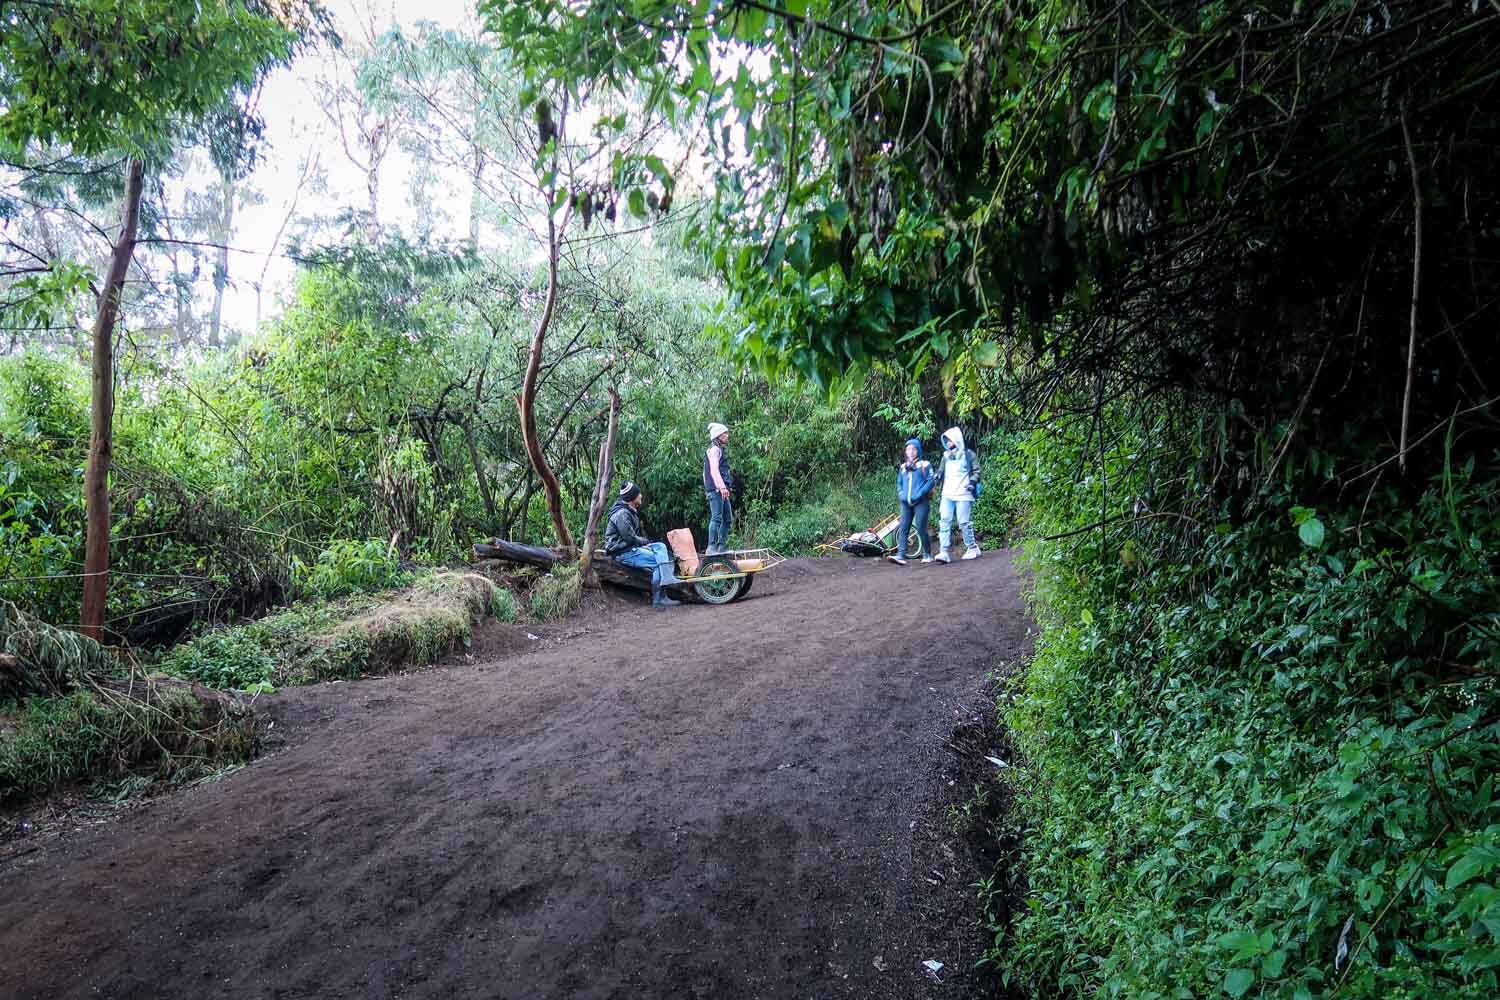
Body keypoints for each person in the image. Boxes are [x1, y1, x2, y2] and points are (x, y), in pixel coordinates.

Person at [604, 481, 683, 608]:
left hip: (630, 547)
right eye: (639, 494)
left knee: (661, 547)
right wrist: (645, 543)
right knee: (660, 561)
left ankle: (666, 578)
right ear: (632, 497)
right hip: (622, 552)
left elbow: (632, 538)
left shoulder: (629, 511)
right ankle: (659, 598)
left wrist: (644, 544)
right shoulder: (622, 514)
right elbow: (629, 538)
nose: (641, 496)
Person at [934, 426, 982, 562]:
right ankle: (943, 551)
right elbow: (941, 471)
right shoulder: (945, 456)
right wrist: (937, 475)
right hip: (947, 494)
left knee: (963, 522)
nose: (948, 443)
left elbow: (977, 471)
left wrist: (972, 482)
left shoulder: (968, 454)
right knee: (944, 521)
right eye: (946, 440)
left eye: (950, 440)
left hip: (964, 493)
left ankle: (972, 547)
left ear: (957, 439)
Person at [889, 438, 935, 565]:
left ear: (918, 450)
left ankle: (927, 554)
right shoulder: (903, 467)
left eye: (914, 449)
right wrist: (901, 494)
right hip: (905, 503)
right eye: (909, 449)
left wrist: (920, 493)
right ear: (906, 451)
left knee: (921, 527)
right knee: (903, 528)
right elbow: (899, 482)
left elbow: (931, 481)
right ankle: (901, 555)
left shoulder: (925, 465)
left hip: (921, 502)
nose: (911, 451)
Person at [703, 421, 734, 554]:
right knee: (716, 518)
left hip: (720, 490)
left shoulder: (717, 449)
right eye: (725, 433)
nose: (727, 435)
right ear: (718, 436)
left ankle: (721, 547)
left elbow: (705, 474)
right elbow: (714, 471)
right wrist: (721, 487)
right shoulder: (714, 450)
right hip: (717, 490)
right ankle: (711, 547)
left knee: (728, 518)